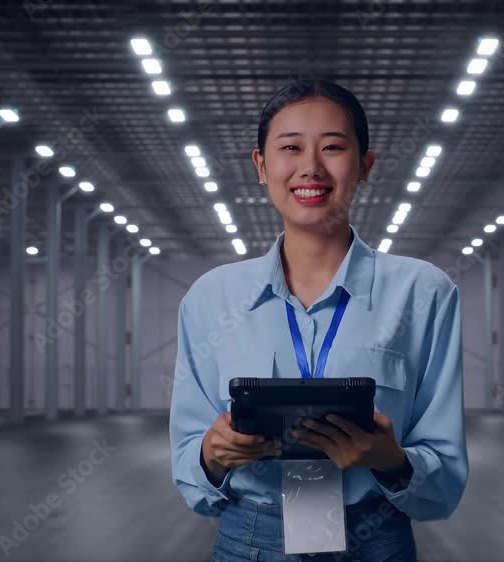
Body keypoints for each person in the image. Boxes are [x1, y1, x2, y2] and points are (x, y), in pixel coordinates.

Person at [169, 79, 467, 561]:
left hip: (377, 538)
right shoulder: (210, 298)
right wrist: (212, 454)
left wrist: (389, 461)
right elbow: (189, 467)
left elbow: (445, 477)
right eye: (290, 148)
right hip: (251, 542)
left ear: (365, 166)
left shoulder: (423, 293)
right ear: (261, 166)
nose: (310, 167)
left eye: (333, 147)